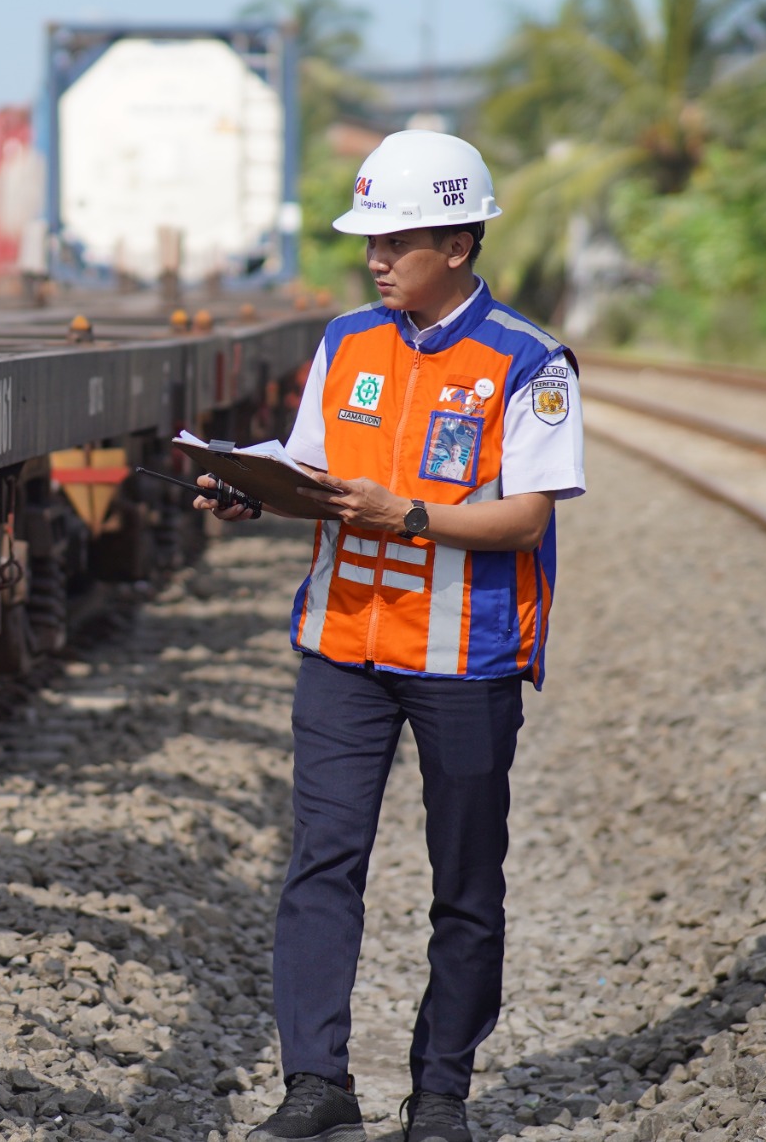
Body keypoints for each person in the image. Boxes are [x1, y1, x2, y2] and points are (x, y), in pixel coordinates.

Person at [201, 130, 584, 1142]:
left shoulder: (529, 361)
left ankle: (441, 1093)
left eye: (396, 238)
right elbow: (316, 478)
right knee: (321, 861)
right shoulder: (347, 343)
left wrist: (404, 513)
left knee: (464, 879)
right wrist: (254, 493)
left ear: (458, 241)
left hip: (465, 657)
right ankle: (315, 1082)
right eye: (368, 238)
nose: (375, 257)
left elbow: (526, 516)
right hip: (343, 646)